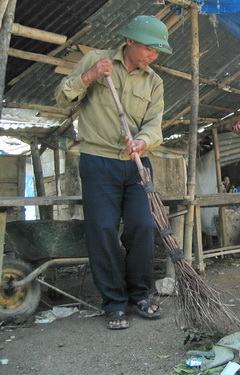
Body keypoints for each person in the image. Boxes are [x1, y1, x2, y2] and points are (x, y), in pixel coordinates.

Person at [55, 15, 171, 330]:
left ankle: (141, 295)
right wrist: (90, 76)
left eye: (157, 52)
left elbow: (154, 125)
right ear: (130, 41)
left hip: (136, 164)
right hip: (98, 159)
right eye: (149, 48)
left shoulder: (154, 82)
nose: (153, 56)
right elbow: (62, 96)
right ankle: (114, 303)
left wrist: (143, 141)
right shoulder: (97, 60)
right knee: (103, 229)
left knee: (142, 227)